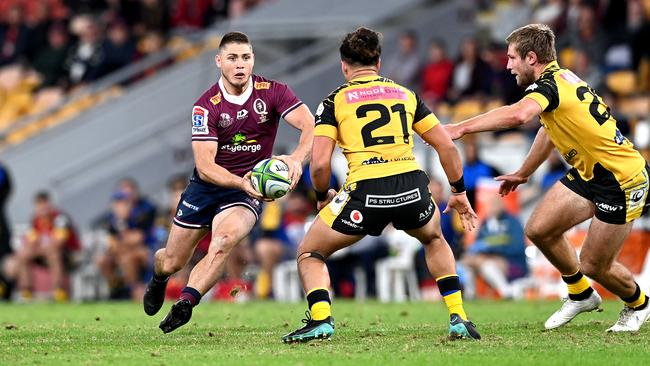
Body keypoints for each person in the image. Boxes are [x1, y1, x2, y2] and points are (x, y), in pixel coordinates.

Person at [445, 24, 650, 332]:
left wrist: (461, 127)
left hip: (622, 179)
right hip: (593, 173)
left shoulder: (548, 87)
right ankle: (580, 293)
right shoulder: (561, 78)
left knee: (595, 264)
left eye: (512, 58)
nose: (507, 65)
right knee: (539, 228)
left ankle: (638, 304)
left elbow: (518, 115)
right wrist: (524, 172)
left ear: (531, 58)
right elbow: (547, 129)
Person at [281, 27, 480, 344]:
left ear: (344, 65)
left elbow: (319, 164)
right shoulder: (406, 94)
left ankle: (321, 319)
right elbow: (447, 147)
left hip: (366, 190)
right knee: (434, 238)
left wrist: (321, 197)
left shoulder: (335, 101)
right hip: (412, 186)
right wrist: (457, 191)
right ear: (379, 61)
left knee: (310, 251)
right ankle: (459, 317)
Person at [142, 31, 314, 333]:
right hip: (207, 188)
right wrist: (240, 182)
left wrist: (297, 159)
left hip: (245, 194)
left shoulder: (273, 91)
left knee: (224, 241)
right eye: (233, 58)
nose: (240, 64)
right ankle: (159, 279)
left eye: (246, 57)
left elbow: (309, 123)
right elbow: (205, 166)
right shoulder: (206, 105)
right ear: (219, 61)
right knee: (172, 261)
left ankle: (186, 303)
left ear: (253, 60)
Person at [5, 191, 81, 302]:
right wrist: (30, 250)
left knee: (53, 252)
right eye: (39, 205)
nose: (42, 208)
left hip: (69, 256)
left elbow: (58, 242)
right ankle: (26, 291)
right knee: (23, 254)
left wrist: (38, 248)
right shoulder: (35, 221)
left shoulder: (60, 219)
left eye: (44, 204)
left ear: (50, 204)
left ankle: (59, 291)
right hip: (45, 254)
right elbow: (31, 242)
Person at [461, 194, 528, 299]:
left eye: (495, 204)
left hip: (514, 264)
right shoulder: (486, 223)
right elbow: (479, 243)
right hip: (488, 260)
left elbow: (517, 247)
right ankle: (470, 294)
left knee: (484, 262)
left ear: (503, 205)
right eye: (490, 205)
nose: (492, 207)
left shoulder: (513, 222)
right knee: (468, 261)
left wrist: (492, 249)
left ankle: (506, 291)